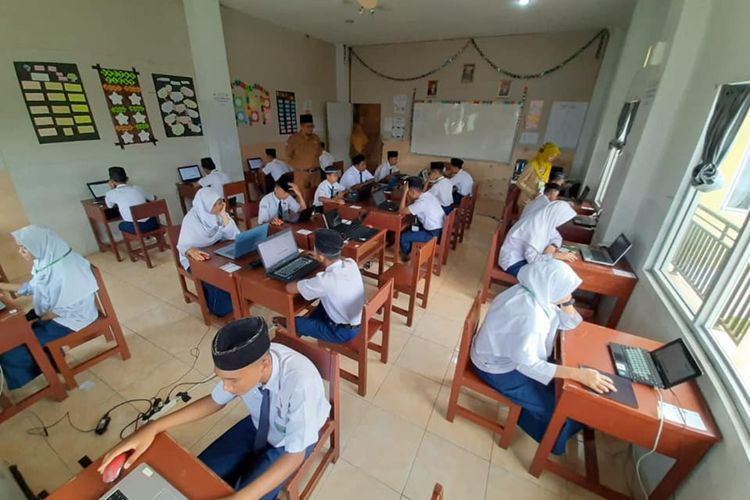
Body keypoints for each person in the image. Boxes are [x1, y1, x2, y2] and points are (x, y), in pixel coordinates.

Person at [98, 317, 330, 500]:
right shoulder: (244, 369)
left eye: (233, 381)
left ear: (265, 365)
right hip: (259, 423)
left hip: (289, 442)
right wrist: (155, 426)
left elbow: (294, 455)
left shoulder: (300, 383)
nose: (227, 388)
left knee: (244, 493)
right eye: (222, 379)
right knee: (196, 477)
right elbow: (213, 401)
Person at [471, 260, 616, 455]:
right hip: (496, 368)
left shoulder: (533, 292)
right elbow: (530, 366)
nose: (569, 294)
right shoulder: (530, 316)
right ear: (549, 287)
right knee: (557, 409)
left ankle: (538, 416)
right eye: (565, 290)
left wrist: (566, 301)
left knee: (558, 388)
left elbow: (570, 323)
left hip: (505, 356)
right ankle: (552, 442)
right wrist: (577, 374)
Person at [0, 225, 98, 390]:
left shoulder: (57, 270)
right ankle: (56, 362)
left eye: (24, 248)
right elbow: (32, 287)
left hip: (72, 319)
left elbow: (44, 312)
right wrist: (2, 285)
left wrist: (32, 319)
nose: (20, 252)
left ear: (37, 245)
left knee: (14, 349)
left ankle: (56, 373)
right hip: (69, 314)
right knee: (21, 331)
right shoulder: (52, 258)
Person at [276, 230, 365, 344]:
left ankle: (294, 332)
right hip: (354, 320)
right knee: (321, 304)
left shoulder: (324, 281)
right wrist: (319, 256)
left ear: (321, 256)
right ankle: (304, 327)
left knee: (293, 322)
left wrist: (301, 278)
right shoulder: (351, 263)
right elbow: (340, 258)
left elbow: (289, 288)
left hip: (340, 332)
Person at [177, 188, 239, 317]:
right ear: (204, 206)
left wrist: (223, 216)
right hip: (196, 258)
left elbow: (234, 236)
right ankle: (220, 308)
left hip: (216, 252)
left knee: (240, 267)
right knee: (216, 278)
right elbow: (183, 246)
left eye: (220, 202)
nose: (219, 207)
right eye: (215, 205)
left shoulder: (219, 214)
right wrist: (190, 250)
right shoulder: (191, 220)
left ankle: (238, 296)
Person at [499, 200, 578, 277]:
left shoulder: (543, 221)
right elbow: (533, 260)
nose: (561, 223)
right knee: (550, 276)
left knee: (554, 270)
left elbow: (557, 237)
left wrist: (552, 246)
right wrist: (555, 255)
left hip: (524, 258)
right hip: (513, 263)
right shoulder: (535, 228)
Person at [398, 176, 445, 260]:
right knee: (411, 226)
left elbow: (401, 211)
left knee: (403, 237)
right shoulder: (427, 195)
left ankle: (406, 255)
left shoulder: (420, 203)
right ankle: (411, 247)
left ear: (412, 192)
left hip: (432, 234)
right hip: (438, 228)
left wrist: (404, 193)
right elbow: (411, 204)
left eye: (408, 192)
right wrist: (408, 193)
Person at [104, 166, 159, 234]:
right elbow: (153, 198)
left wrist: (112, 189)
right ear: (127, 179)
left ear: (112, 181)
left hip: (135, 228)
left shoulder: (111, 193)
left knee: (121, 225)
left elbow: (110, 206)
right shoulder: (137, 188)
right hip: (152, 224)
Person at [516, 142, 561, 209]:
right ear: (545, 154)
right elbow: (519, 182)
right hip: (526, 201)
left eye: (554, 157)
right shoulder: (532, 165)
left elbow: (543, 182)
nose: (552, 158)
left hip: (538, 201)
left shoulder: (548, 166)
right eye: (551, 156)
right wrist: (532, 193)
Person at [286, 114, 322, 189]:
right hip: (301, 174)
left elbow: (319, 153)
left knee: (316, 197)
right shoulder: (294, 139)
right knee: (301, 196)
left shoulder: (316, 138)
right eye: (308, 127)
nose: (311, 129)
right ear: (301, 126)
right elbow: (288, 154)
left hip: (315, 173)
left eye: (312, 126)